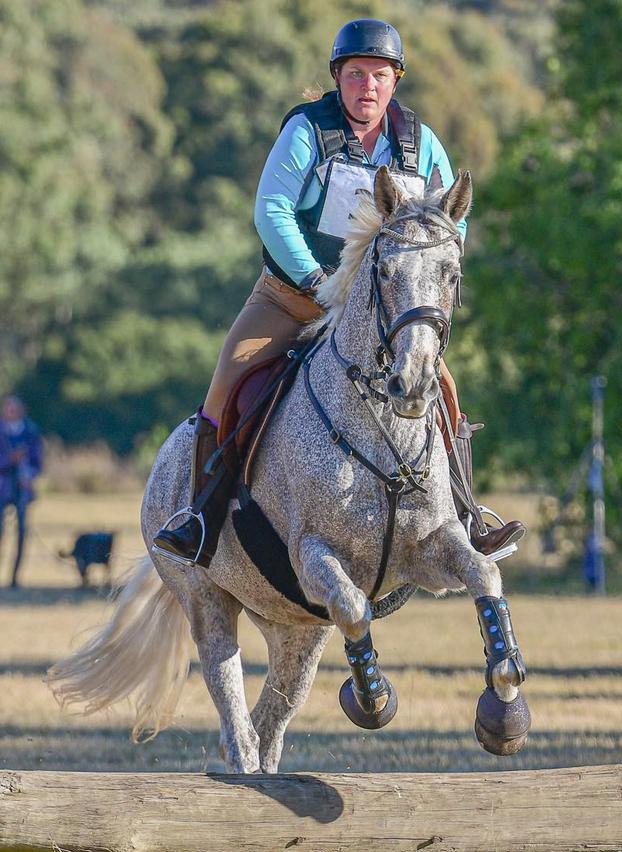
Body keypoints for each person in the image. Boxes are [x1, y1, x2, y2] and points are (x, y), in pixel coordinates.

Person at [154, 19, 525, 565]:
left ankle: (467, 516)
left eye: (379, 75)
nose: (367, 86)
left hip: (380, 314)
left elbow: (451, 224)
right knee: (227, 382)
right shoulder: (307, 130)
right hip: (292, 297)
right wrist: (315, 281)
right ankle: (201, 519)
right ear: (337, 78)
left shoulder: (422, 145)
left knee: (443, 392)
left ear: (395, 82)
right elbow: (271, 210)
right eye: (356, 74)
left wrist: (425, 282)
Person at [0, 396, 43, 588]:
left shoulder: (31, 431)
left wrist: (29, 476)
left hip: (22, 489)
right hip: (3, 487)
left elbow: (37, 462)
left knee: (22, 533)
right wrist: (10, 460)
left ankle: (15, 577)